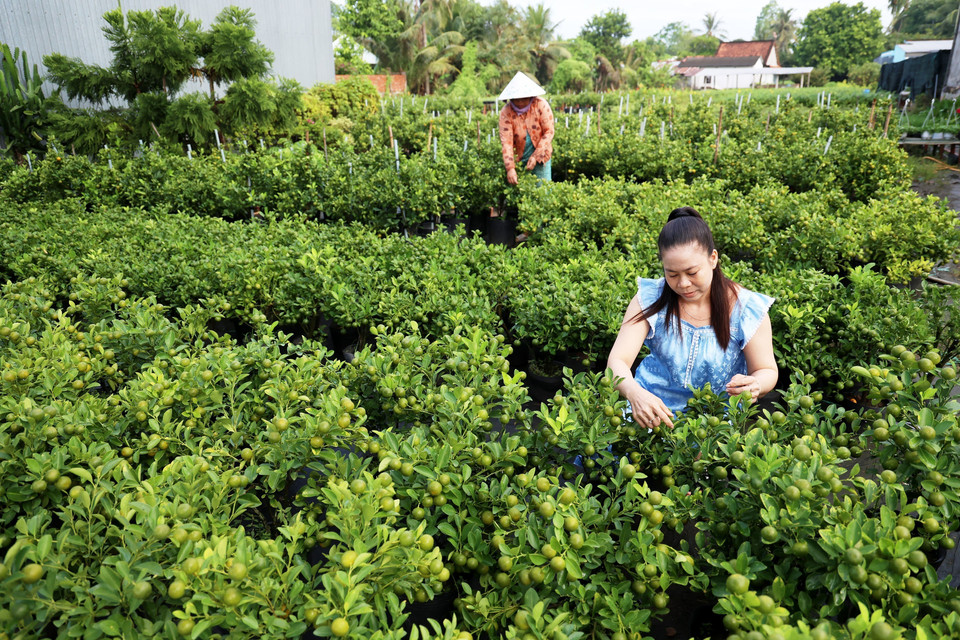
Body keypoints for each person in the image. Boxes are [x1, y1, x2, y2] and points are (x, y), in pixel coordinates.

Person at [607, 207, 778, 430]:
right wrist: (635, 393)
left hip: (713, 423)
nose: (683, 284)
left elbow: (767, 370)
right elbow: (617, 361)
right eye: (672, 274)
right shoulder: (650, 298)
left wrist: (756, 384)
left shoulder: (746, 309)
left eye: (692, 272)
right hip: (649, 413)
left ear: (713, 259)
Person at [497, 71, 554, 186]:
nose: (520, 102)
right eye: (516, 99)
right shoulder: (506, 112)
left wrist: (535, 156)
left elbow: (549, 132)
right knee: (522, 193)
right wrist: (510, 168)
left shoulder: (540, 105)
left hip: (541, 155)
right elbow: (506, 142)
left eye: (523, 98)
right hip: (519, 158)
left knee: (542, 191)